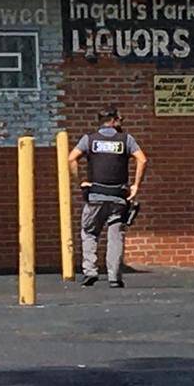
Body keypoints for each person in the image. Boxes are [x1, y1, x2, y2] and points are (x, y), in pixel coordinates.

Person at [68, 107, 147, 288]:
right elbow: (142, 160)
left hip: (95, 195)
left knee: (89, 232)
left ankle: (90, 271)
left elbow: (71, 158)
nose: (122, 121)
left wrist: (80, 181)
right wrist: (136, 185)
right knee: (115, 237)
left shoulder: (89, 139)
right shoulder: (126, 139)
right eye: (120, 118)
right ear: (112, 120)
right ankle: (114, 277)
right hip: (118, 197)